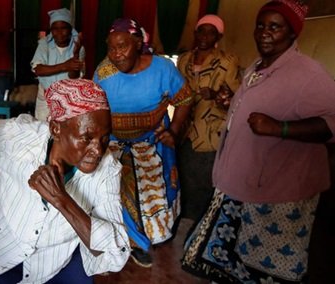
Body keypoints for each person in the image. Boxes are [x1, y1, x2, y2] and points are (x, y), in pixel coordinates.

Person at [182, 1, 335, 283]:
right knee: (233, 258)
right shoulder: (257, 66)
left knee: (267, 267)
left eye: (275, 27)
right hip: (243, 181)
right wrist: (230, 103)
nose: (264, 32)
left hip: (279, 192)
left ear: (292, 33)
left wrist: (280, 128)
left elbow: (330, 124)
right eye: (261, 25)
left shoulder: (309, 75)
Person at [0, 79, 130, 283]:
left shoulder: (107, 170)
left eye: (104, 138)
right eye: (86, 138)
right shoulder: (21, 136)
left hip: (55, 256)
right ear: (56, 128)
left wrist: (62, 200)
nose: (98, 150)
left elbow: (116, 252)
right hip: (5, 241)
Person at [93, 18, 192, 268]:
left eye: (123, 46)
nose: (116, 54)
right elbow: (94, 110)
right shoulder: (104, 72)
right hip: (114, 142)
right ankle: (133, 241)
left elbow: (184, 99)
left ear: (138, 43)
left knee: (153, 188)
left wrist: (176, 131)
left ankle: (154, 233)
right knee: (118, 183)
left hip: (150, 139)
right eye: (111, 48)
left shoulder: (162, 68)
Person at [176, 15, 241, 221]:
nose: (205, 36)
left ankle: (200, 228)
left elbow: (237, 98)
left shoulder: (227, 61)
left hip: (211, 131)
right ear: (195, 33)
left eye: (211, 32)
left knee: (204, 182)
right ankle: (183, 224)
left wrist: (215, 96)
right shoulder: (184, 59)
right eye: (201, 31)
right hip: (186, 130)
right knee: (183, 179)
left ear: (218, 36)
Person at [30, 8, 85, 121]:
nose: (59, 33)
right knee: (43, 132)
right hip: (45, 99)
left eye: (63, 28)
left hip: (68, 99)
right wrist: (65, 65)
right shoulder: (44, 44)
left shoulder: (78, 48)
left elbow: (74, 77)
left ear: (70, 29)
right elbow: (38, 70)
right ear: (51, 30)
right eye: (55, 29)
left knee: (65, 132)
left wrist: (75, 55)